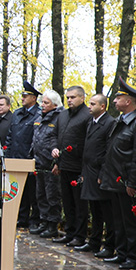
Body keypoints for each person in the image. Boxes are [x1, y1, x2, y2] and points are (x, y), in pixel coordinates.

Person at [98, 77, 136, 270]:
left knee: (130, 221)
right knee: (117, 219)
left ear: (128, 101)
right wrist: (104, 173)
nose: (114, 101)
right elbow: (110, 150)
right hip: (114, 178)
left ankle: (133, 256)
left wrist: (131, 183)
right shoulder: (118, 121)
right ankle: (121, 253)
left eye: (117, 98)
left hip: (126, 180)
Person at [78, 93, 115, 256]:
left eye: (93, 104)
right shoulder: (91, 123)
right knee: (94, 209)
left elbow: (108, 151)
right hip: (89, 170)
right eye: (89, 103)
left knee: (106, 211)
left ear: (102, 106)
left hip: (100, 172)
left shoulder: (109, 123)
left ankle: (109, 245)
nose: (89, 106)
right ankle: (94, 242)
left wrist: (102, 173)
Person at [52, 86, 89, 246]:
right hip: (63, 165)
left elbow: (88, 142)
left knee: (79, 204)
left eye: (73, 97)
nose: (69, 100)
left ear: (82, 97)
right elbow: (55, 135)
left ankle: (80, 236)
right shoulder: (63, 115)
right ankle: (69, 232)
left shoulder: (87, 115)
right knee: (67, 202)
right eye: (67, 97)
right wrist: (55, 154)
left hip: (78, 166)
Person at [8, 81, 40, 229]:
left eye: (25, 96)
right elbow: (10, 136)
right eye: (22, 95)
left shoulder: (38, 115)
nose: (22, 98)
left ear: (34, 98)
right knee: (19, 191)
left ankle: (34, 220)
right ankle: (22, 218)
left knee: (32, 193)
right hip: (15, 158)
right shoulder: (16, 114)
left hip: (29, 159)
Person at [31, 90, 64, 237]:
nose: (42, 105)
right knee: (40, 195)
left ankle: (52, 226)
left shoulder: (59, 117)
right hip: (38, 161)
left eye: (46, 103)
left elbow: (59, 139)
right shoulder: (39, 116)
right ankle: (43, 222)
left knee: (52, 196)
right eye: (42, 102)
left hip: (51, 164)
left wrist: (57, 161)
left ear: (55, 105)